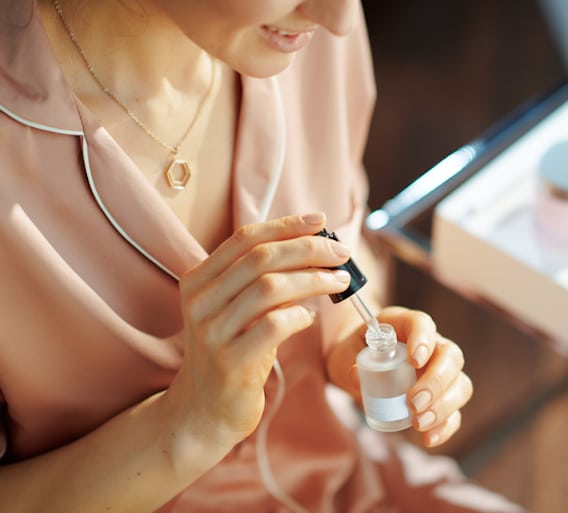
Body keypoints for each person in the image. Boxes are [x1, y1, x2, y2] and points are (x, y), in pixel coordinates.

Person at [0, 0, 523, 511]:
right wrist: (190, 424)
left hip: (348, 484)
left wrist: (350, 346)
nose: (341, 19)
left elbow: (346, 243)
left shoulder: (302, 37)